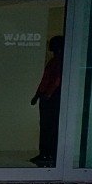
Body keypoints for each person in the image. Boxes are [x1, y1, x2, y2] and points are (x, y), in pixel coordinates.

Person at [30, 34, 63, 167]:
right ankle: (45, 152)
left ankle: (48, 153)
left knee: (49, 127)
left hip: (51, 98)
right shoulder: (53, 61)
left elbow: (55, 80)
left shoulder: (59, 62)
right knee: (45, 126)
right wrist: (37, 95)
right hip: (47, 97)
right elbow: (45, 80)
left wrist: (47, 94)